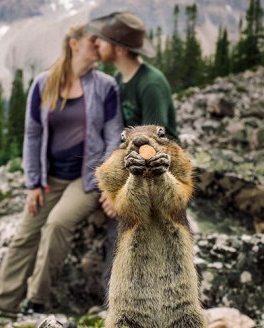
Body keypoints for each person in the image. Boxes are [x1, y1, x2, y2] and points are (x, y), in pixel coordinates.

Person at [0, 23, 123, 314]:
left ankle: (36, 300)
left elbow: (114, 135)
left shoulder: (105, 86)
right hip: (50, 177)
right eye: (92, 41)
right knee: (25, 234)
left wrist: (109, 180)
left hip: (86, 178)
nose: (99, 46)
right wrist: (33, 182)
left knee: (57, 223)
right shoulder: (43, 83)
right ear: (74, 44)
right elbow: (32, 134)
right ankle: (1, 303)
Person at [86, 11, 179, 294]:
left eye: (103, 40)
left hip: (154, 177)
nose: (97, 44)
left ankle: (121, 303)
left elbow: (154, 147)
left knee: (123, 230)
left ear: (119, 48)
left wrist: (118, 196)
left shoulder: (150, 84)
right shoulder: (121, 79)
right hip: (131, 172)